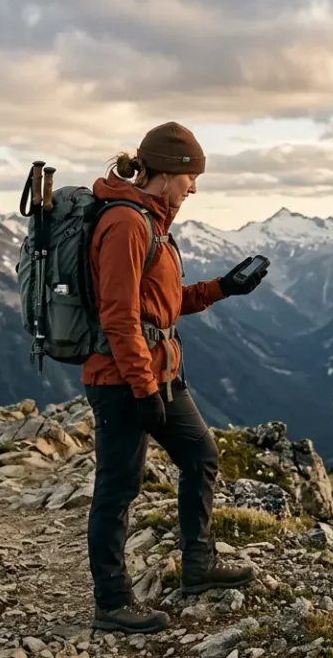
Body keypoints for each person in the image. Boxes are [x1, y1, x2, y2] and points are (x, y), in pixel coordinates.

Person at [80, 121, 268, 634]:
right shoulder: (126, 224)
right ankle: (113, 602)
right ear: (166, 173)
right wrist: (142, 390)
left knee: (201, 456)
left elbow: (159, 307)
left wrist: (223, 287)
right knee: (119, 488)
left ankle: (198, 565)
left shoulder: (152, 221)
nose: (194, 189)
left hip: (159, 371)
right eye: (191, 179)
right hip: (122, 379)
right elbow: (118, 316)